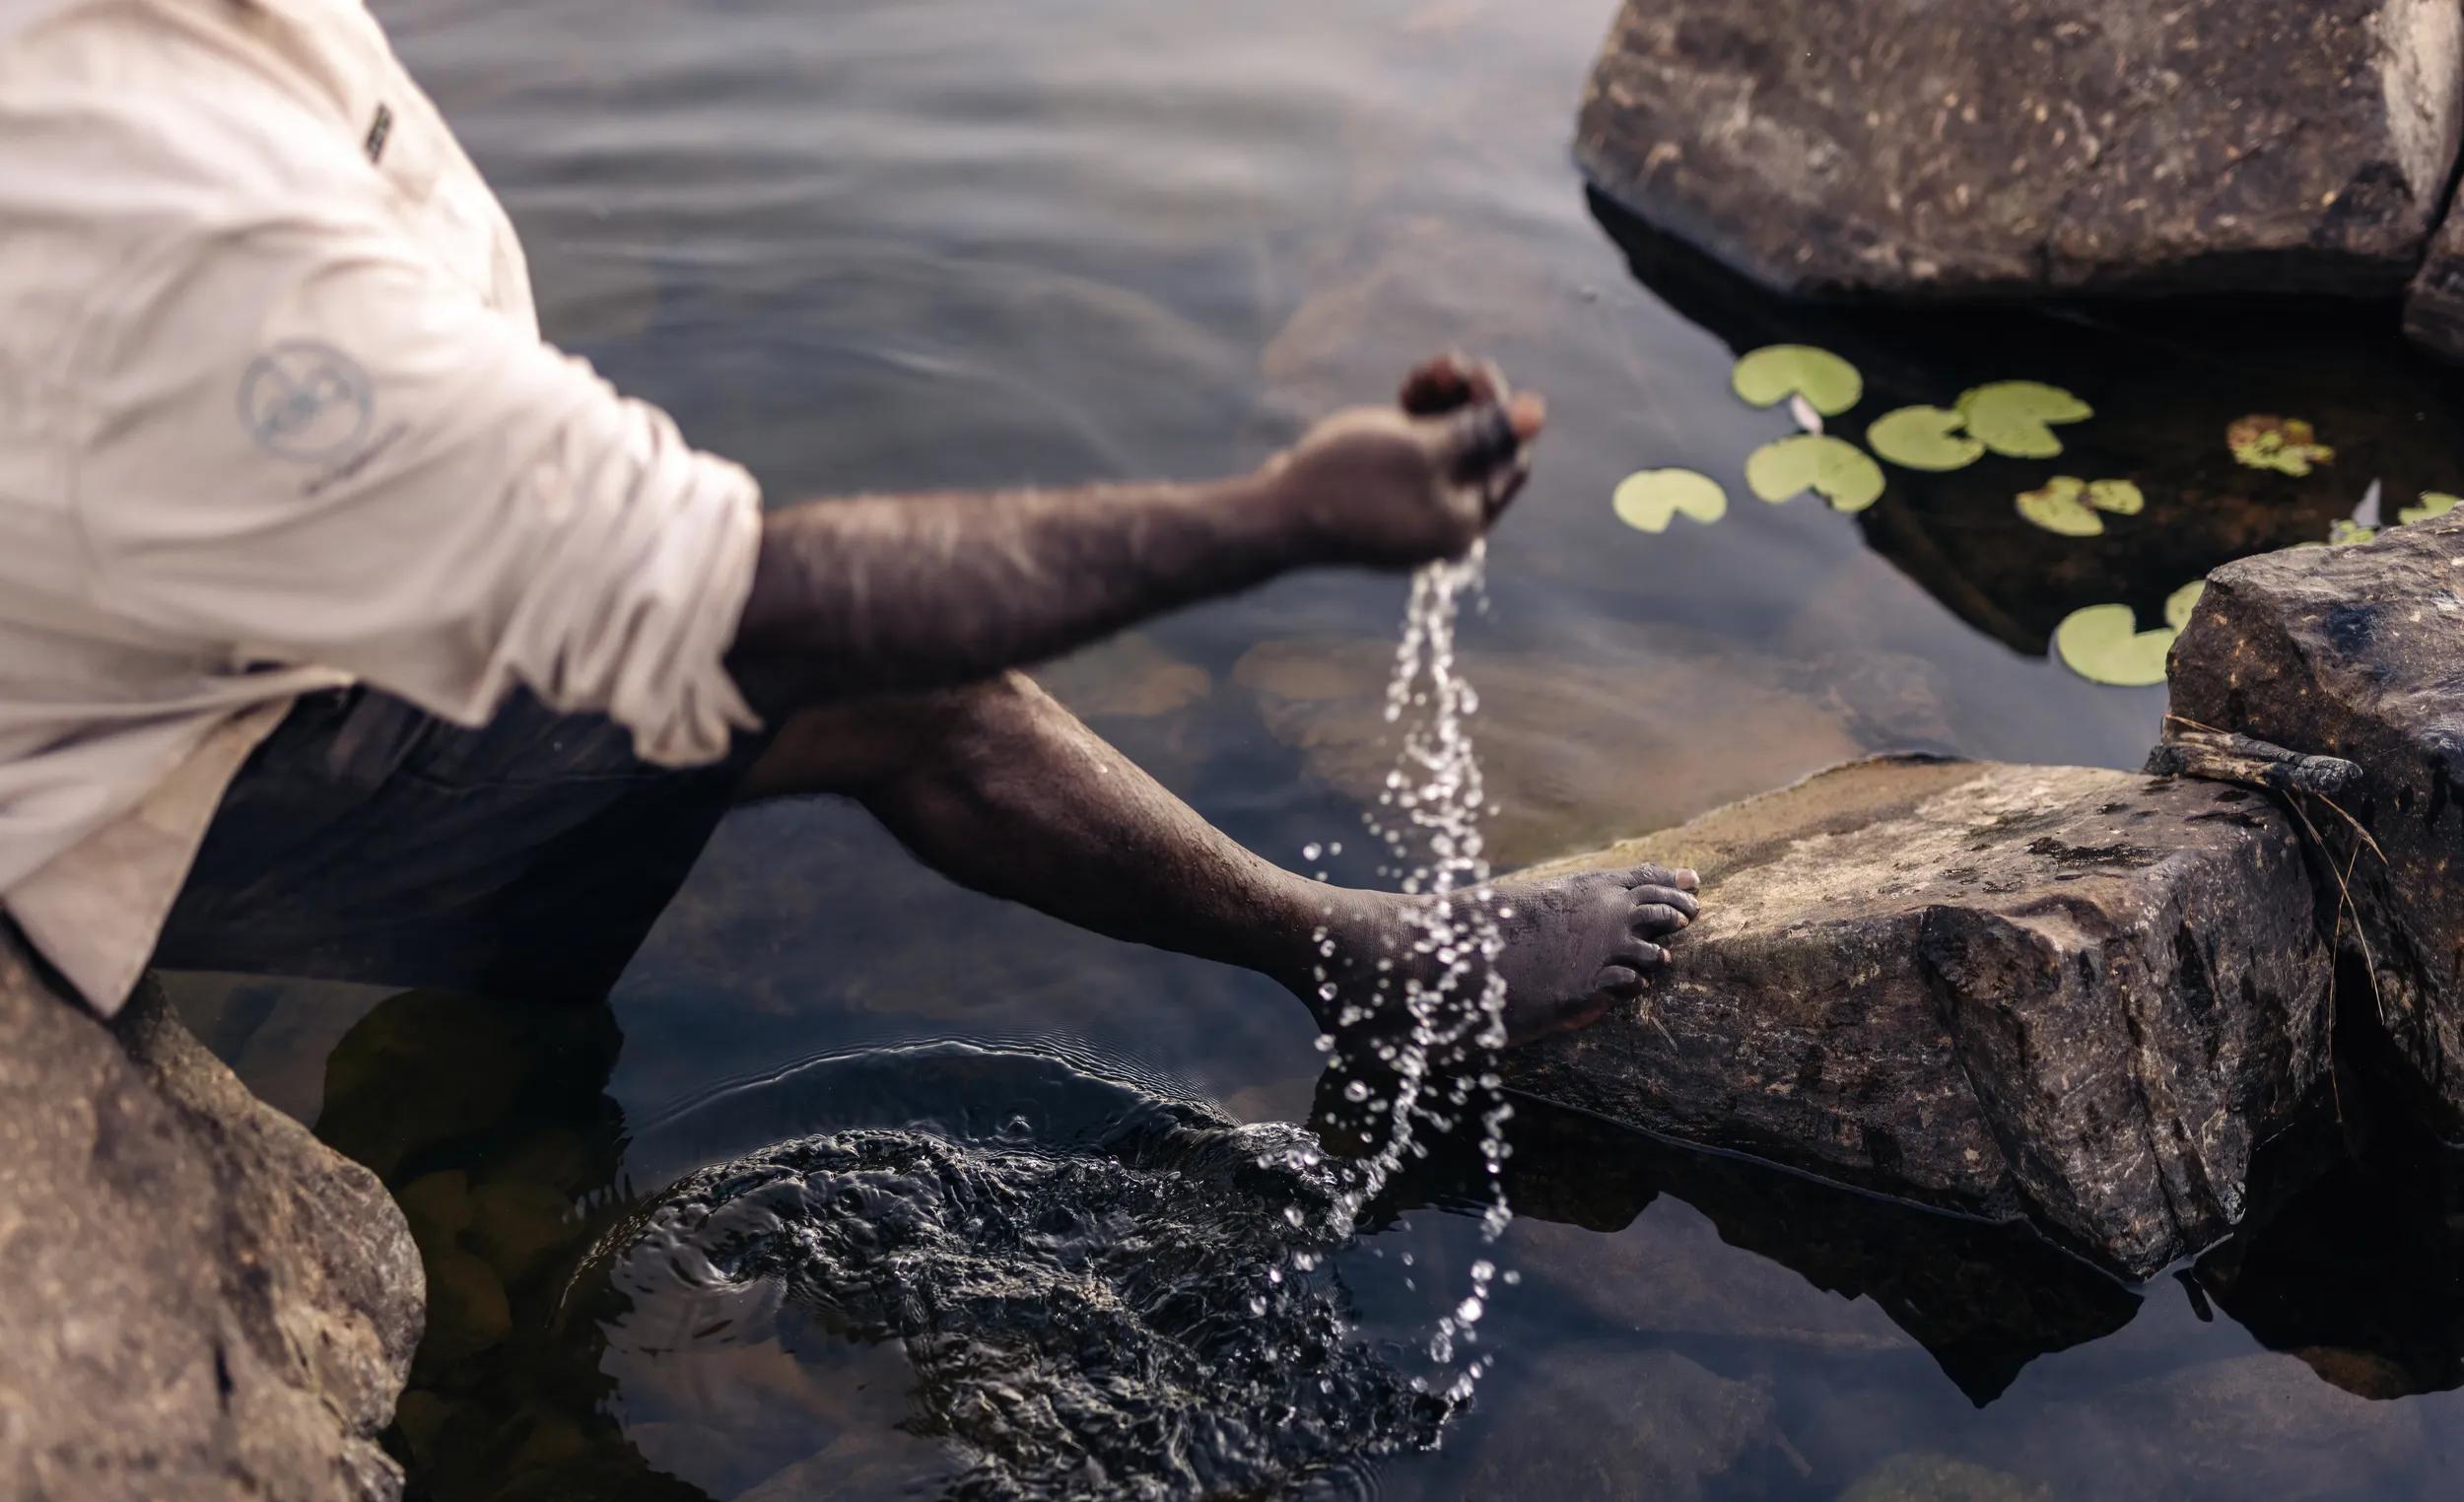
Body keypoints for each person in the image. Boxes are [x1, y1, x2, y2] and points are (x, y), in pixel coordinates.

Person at [0, 0, 1697, 1048]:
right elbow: (748, 609)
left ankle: (492, 1024)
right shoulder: (199, 266)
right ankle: (1366, 968)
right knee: (894, 684)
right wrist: (1278, 520)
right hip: (166, 743)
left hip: (217, 564)